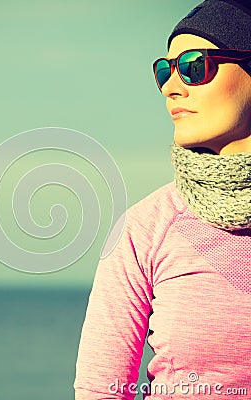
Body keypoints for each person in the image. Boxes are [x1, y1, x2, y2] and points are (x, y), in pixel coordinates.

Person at [74, 1, 251, 399]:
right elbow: (99, 390)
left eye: (194, 66)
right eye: (163, 71)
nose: (171, 87)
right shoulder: (145, 228)